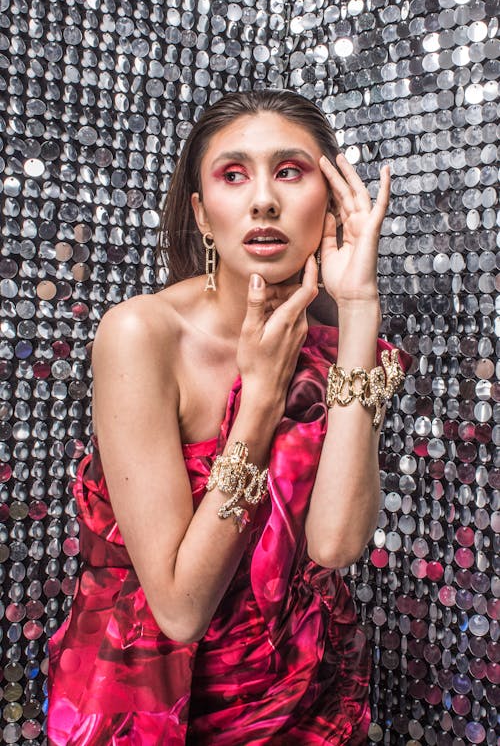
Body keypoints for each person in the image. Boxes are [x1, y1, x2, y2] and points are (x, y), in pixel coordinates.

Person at [47, 90, 412, 745]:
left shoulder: (335, 351)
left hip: (305, 693)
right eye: (233, 174)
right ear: (202, 215)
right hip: (157, 701)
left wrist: (357, 309)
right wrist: (260, 404)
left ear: (328, 204)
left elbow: (334, 545)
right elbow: (181, 609)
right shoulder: (141, 333)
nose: (264, 201)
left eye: (290, 172)